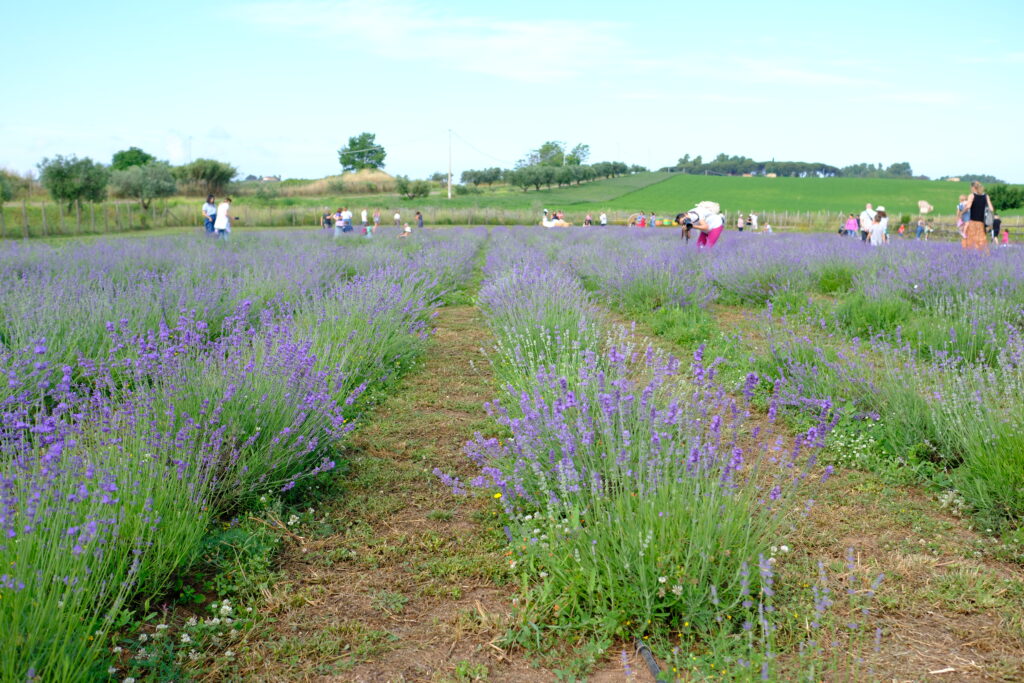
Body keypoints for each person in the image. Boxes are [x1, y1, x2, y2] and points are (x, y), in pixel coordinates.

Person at [960, 181, 994, 252]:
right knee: (981, 241)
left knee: (970, 240)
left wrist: (962, 213)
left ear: (973, 187)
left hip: (972, 222)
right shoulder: (986, 196)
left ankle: (970, 255)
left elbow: (968, 206)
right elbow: (991, 209)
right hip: (981, 223)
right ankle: (983, 256)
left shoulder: (972, 196)